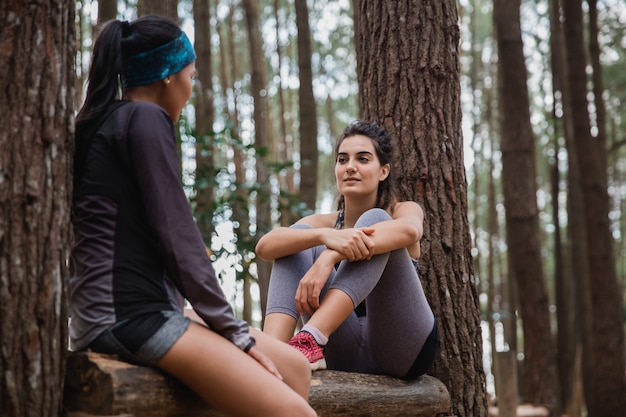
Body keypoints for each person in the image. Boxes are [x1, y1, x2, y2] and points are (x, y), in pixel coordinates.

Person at [69, 16, 317, 417]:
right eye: (191, 74)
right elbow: (178, 236)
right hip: (127, 316)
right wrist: (236, 333)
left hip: (133, 308)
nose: (190, 87)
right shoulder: (144, 119)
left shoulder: (106, 119)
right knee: (297, 413)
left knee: (295, 368)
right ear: (168, 76)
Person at [256, 121, 439, 380]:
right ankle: (270, 354)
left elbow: (410, 231)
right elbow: (265, 247)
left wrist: (330, 256)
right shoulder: (326, 223)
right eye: (343, 160)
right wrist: (322, 235)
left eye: (363, 159)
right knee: (296, 241)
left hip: (401, 347)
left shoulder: (402, 210)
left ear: (383, 171)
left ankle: (311, 337)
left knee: (375, 219)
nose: (350, 166)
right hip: (342, 350)